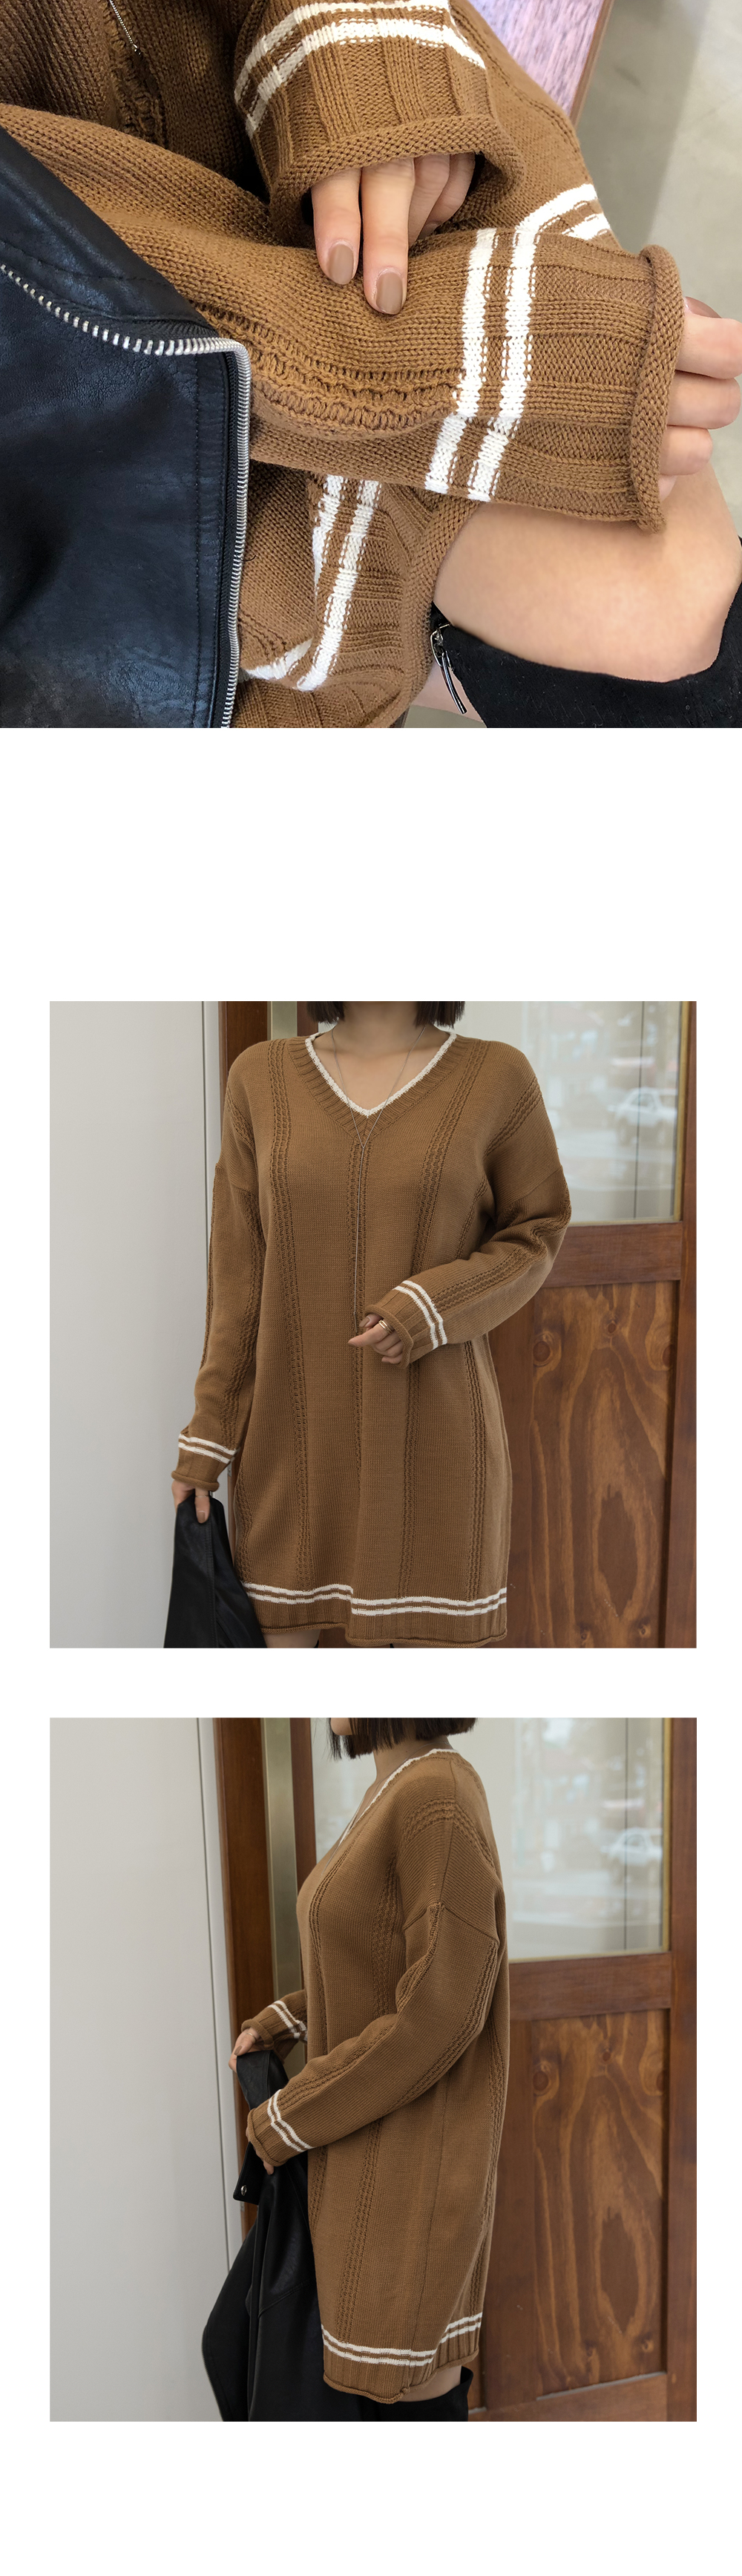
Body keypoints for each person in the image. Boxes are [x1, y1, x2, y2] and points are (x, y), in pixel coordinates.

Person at [1, 0, 740, 726]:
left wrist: (359, 21)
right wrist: (443, 356)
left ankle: (417, 646)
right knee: (655, 605)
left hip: (361, 110)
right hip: (91, 397)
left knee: (670, 597)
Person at [171, 1001, 570, 1645]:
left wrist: (428, 1306)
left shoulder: (497, 1076)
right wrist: (207, 1441)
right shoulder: (259, 1077)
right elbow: (238, 1283)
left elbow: (537, 1230)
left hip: (436, 1441)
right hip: (292, 1451)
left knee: (417, 1692)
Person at [230, 1717, 508, 2411]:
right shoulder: (396, 1788)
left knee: (401, 2418)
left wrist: (290, 2116)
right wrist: (286, 2019)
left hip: (408, 2178)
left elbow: (440, 2011)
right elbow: (376, 1964)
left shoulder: (436, 1797)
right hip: (361, 2167)